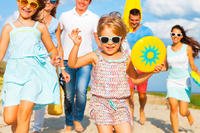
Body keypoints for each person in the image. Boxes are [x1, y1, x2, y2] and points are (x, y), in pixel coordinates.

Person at [68, 12, 162, 133]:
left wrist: (152, 72)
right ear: (99, 39)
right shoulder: (95, 56)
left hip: (121, 104)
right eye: (105, 39)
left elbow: (135, 79)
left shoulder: (126, 58)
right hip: (100, 104)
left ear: (122, 39)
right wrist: (76, 45)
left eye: (115, 39)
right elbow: (73, 63)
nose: (110, 43)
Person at [0, 0, 61, 132]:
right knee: (10, 118)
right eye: (24, 1)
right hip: (14, 75)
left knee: (24, 114)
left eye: (32, 4)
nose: (27, 6)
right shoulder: (8, 27)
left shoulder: (40, 27)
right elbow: (0, 53)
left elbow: (52, 49)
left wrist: (55, 58)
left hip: (34, 74)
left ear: (37, 7)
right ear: (18, 2)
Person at [58, 0, 99, 132]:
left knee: (81, 91)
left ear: (90, 2)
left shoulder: (94, 18)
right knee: (69, 95)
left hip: (85, 61)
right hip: (66, 61)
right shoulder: (64, 15)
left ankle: (77, 120)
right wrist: (59, 49)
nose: (82, 1)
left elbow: (98, 39)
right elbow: (57, 33)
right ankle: (69, 122)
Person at [32, 0, 70, 133]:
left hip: (49, 62)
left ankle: (36, 128)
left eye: (53, 0)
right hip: (31, 60)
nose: (48, 2)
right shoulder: (32, 15)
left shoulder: (55, 22)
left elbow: (59, 46)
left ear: (56, 4)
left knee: (41, 94)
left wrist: (63, 69)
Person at [162, 25, 200, 133]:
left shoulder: (187, 48)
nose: (175, 36)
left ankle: (188, 114)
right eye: (173, 34)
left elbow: (192, 66)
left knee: (182, 112)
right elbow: (165, 67)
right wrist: (160, 68)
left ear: (182, 36)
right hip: (171, 81)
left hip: (184, 82)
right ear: (171, 35)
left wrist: (198, 74)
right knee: (173, 108)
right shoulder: (167, 49)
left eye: (178, 34)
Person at [126, 8, 153, 124]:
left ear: (140, 18)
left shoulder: (147, 31)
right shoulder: (126, 32)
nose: (134, 22)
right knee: (129, 93)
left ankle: (142, 109)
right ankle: (131, 113)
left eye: (136, 20)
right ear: (129, 18)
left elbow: (152, 47)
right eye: (132, 20)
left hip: (143, 65)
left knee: (142, 95)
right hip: (129, 65)